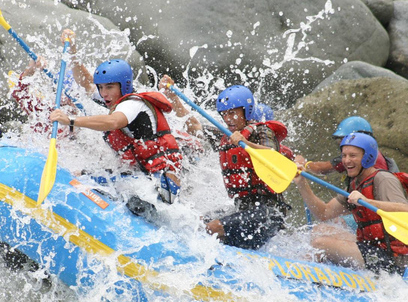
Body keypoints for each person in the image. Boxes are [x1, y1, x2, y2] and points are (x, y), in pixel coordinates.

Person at [158, 75, 289, 250]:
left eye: (233, 113)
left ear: (247, 111)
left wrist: (246, 142)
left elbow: (273, 155)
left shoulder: (262, 131)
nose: (228, 119)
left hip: (267, 214)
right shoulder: (226, 136)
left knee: (213, 228)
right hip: (241, 209)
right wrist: (173, 96)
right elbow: (193, 125)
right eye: (225, 114)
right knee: (194, 221)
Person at [49, 58, 184, 205]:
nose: (103, 93)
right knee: (83, 174)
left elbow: (113, 122)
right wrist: (73, 54)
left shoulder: (133, 105)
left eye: (109, 87)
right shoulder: (114, 99)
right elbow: (86, 83)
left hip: (162, 185)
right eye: (100, 87)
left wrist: (71, 120)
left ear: (124, 86)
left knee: (87, 178)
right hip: (142, 177)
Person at [294, 132, 408, 274]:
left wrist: (367, 201)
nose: (346, 161)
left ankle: (300, 275)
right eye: (344, 155)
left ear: (367, 157)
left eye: (353, 156)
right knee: (320, 229)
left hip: (391, 258)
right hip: (370, 247)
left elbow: (405, 210)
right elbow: (323, 213)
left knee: (320, 244)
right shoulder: (355, 184)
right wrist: (302, 184)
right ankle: (302, 267)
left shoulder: (383, 179)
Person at [296, 116, 398, 176]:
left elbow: (321, 169)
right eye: (340, 141)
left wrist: (304, 164)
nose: (343, 144)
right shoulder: (372, 153)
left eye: (345, 139)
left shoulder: (358, 158)